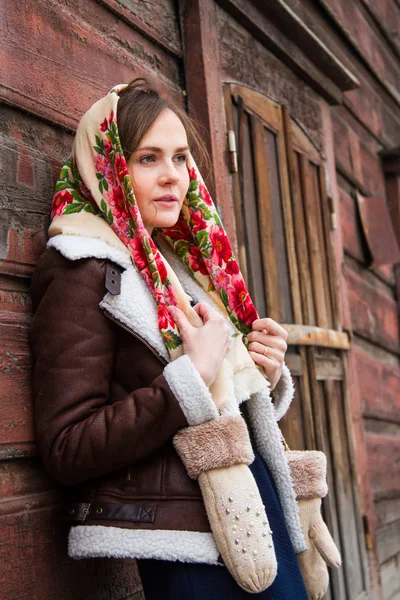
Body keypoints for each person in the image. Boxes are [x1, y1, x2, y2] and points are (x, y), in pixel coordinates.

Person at [30, 78, 340, 599]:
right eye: (148, 158)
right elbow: (67, 445)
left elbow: (220, 403)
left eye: (180, 158)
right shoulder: (82, 268)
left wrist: (258, 368)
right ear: (108, 166)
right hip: (189, 543)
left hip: (252, 508)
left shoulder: (178, 266)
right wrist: (189, 379)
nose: (173, 176)